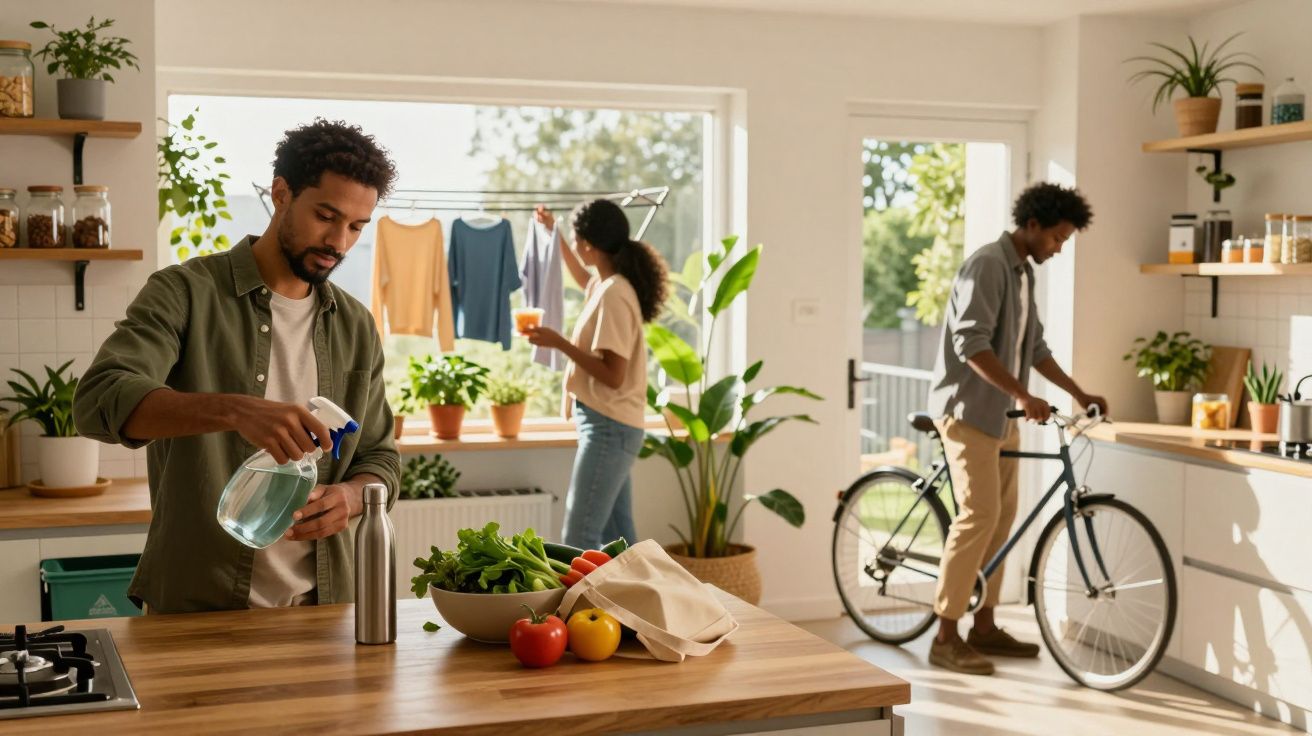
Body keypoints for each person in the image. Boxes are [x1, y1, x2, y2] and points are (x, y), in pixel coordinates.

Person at [73, 120, 401, 614]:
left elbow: (381, 459)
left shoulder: (355, 325)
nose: (339, 241)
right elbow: (100, 400)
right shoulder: (184, 292)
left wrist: (353, 498)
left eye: (356, 226)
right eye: (326, 216)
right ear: (281, 194)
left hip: (324, 614)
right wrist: (235, 411)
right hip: (196, 610)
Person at [926, 182, 1107, 675]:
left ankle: (984, 626)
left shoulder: (1022, 273)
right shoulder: (988, 264)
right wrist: (1023, 395)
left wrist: (1077, 392)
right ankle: (945, 637)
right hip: (967, 412)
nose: (1059, 247)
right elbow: (971, 343)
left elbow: (1036, 349)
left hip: (999, 415)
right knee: (979, 516)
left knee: (1002, 520)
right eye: (1057, 238)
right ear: (1032, 225)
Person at [526, 199, 669, 550]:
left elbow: (613, 374)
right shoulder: (606, 285)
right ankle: (642, 603)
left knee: (579, 536)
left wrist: (559, 342)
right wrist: (555, 232)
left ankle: (582, 607)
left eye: (576, 239)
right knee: (620, 540)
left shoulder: (615, 294)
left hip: (609, 427)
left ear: (588, 244)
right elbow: (580, 275)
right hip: (610, 425)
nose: (575, 246)